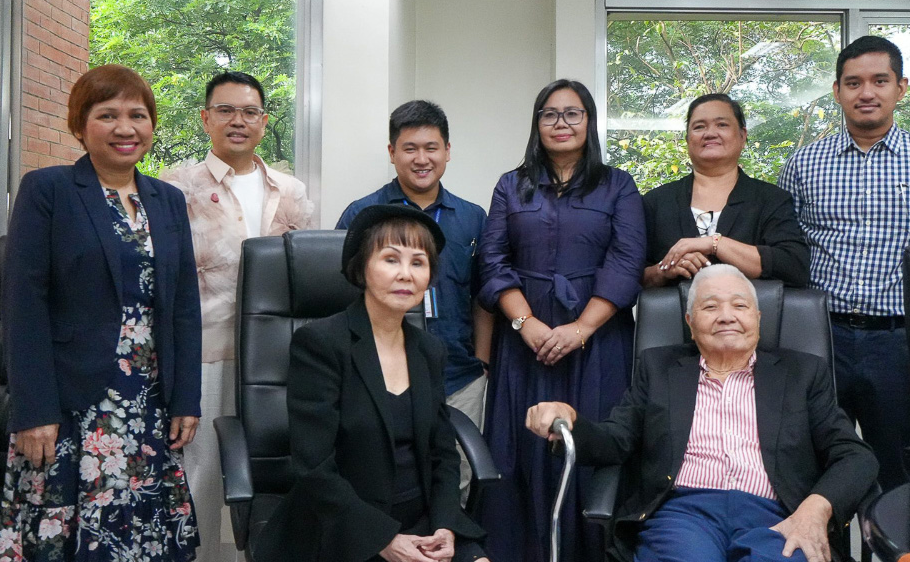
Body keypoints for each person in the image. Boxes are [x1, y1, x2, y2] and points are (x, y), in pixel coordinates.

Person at [0, 64, 202, 561]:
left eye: (138, 115)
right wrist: (33, 409)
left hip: (149, 399)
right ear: (79, 125)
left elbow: (184, 308)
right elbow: (23, 306)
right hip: (70, 402)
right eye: (107, 115)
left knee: (143, 532)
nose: (125, 128)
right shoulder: (49, 190)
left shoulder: (168, 200)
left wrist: (185, 397)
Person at [524, 264, 877, 562]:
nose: (726, 316)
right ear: (691, 322)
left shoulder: (802, 373)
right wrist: (569, 422)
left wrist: (815, 509)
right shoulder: (659, 368)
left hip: (777, 516)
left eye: (739, 305)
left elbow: (855, 456)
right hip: (683, 514)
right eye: (710, 308)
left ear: (757, 317)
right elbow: (616, 440)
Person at [778, 35, 910, 488]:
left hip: (903, 344)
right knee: (810, 468)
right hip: (819, 339)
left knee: (900, 475)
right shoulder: (803, 164)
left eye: (879, 81)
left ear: (901, 88)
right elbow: (786, 255)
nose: (865, 92)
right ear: (837, 91)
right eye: (853, 82)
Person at [254, 205, 487, 562]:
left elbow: (442, 454)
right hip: (343, 522)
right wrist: (383, 539)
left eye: (419, 262)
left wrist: (445, 525)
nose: (406, 275)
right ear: (363, 267)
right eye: (391, 260)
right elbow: (313, 466)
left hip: (421, 518)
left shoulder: (429, 350)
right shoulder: (321, 343)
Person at [478, 79, 646, 562]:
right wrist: (524, 324)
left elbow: (626, 261)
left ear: (589, 122)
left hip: (599, 338)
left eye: (573, 114)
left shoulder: (619, 185)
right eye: (550, 114)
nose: (561, 123)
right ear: (537, 124)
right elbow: (493, 261)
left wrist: (581, 329)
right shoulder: (511, 184)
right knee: (520, 452)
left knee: (594, 446)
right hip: (525, 340)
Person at [159, 70, 314, 558]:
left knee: (269, 466)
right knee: (200, 469)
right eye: (225, 110)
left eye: (249, 112)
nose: (237, 121)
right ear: (206, 119)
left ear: (264, 122)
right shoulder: (173, 188)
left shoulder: (290, 190)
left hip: (276, 359)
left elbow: (306, 274)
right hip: (205, 352)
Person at [335, 101, 494, 456]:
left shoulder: (472, 218)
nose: (421, 159)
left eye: (431, 148)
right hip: (381, 374)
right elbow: (343, 296)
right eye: (410, 148)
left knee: (460, 475)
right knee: (390, 473)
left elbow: (483, 296)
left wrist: (481, 362)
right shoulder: (363, 215)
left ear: (447, 151)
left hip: (459, 376)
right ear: (392, 153)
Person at [640, 94, 810, 289]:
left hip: (753, 318)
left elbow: (794, 267)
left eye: (722, 125)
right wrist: (664, 269)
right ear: (687, 139)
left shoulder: (771, 199)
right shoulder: (656, 202)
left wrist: (715, 244)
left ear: (742, 136)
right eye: (699, 127)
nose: (710, 133)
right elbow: (630, 276)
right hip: (672, 319)